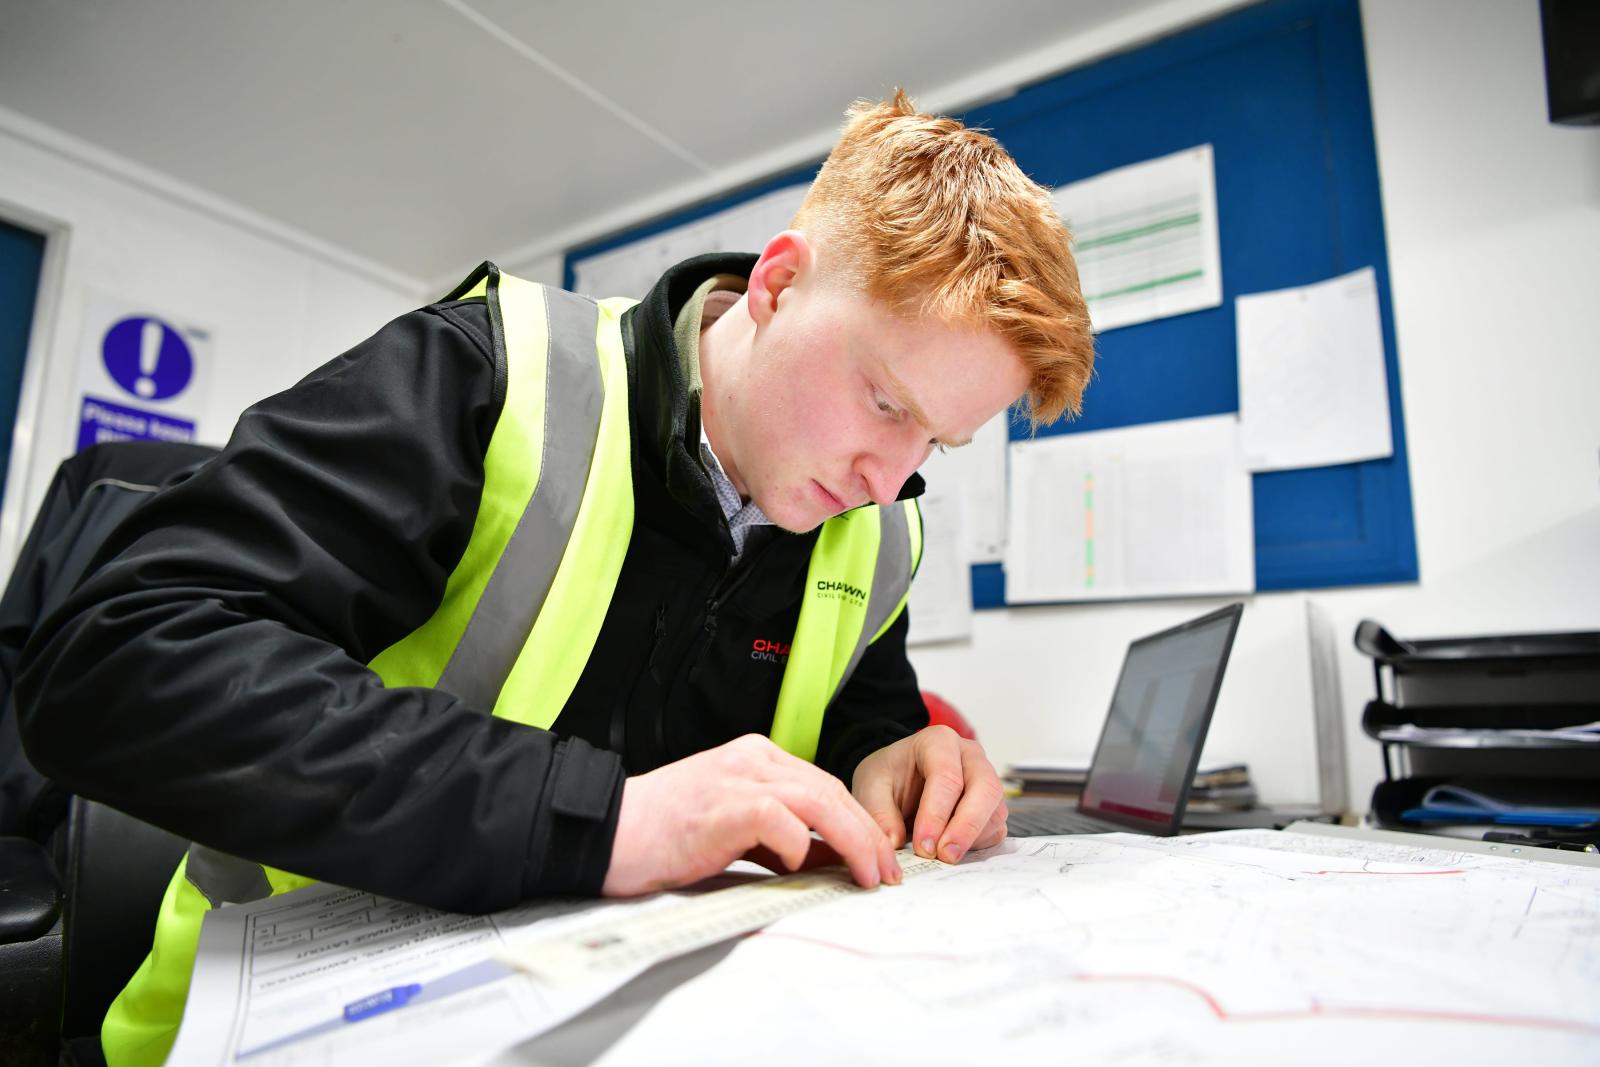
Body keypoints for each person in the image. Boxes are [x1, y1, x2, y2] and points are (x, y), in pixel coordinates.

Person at [16, 90, 1093, 1066]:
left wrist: (901, 757)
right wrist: (597, 818)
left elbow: (859, 729)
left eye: (936, 443)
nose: (888, 479)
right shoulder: (492, 377)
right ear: (773, 284)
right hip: (286, 1024)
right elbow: (114, 659)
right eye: (886, 402)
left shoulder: (876, 532)